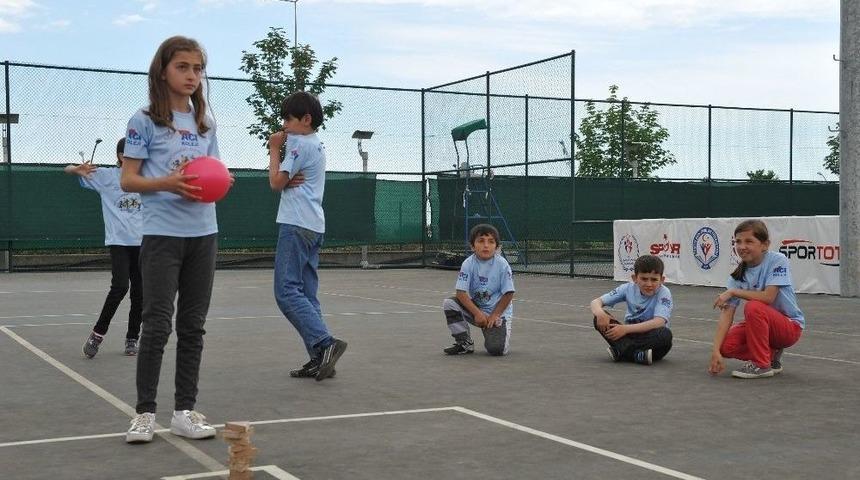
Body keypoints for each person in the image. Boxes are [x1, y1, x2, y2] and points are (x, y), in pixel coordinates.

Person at [120, 36, 229, 443]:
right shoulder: (144, 120)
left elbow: (212, 169)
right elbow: (128, 179)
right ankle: (144, 413)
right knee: (156, 324)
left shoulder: (206, 122)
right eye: (183, 67)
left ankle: (184, 411)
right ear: (163, 70)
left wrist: (223, 180)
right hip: (163, 236)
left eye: (198, 68)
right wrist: (168, 182)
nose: (191, 76)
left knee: (193, 326)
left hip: (204, 234)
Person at [268, 91, 347, 381]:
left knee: (286, 292)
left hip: (296, 225)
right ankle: (319, 358)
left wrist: (274, 149)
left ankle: (326, 344)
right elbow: (288, 180)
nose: (284, 125)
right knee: (307, 295)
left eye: (288, 119)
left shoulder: (298, 144)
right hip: (314, 226)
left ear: (306, 119)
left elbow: (276, 183)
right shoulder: (315, 143)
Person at [64, 138, 143, 358]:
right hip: (119, 242)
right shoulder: (107, 177)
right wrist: (75, 168)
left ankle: (132, 338)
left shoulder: (146, 178)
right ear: (121, 156)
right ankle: (97, 335)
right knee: (120, 287)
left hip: (143, 244)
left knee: (140, 292)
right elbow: (68, 169)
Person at [709, 219, 804, 379]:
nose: (741, 246)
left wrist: (733, 292)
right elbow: (726, 315)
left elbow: (768, 297)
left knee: (753, 307)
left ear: (765, 245)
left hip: (789, 327)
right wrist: (715, 351)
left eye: (749, 241)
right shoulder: (737, 276)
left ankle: (761, 365)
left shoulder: (777, 260)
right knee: (726, 347)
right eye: (738, 241)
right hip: (762, 324)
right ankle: (771, 355)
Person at [442, 224, 515, 356]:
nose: (486, 245)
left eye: (491, 242)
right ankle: (464, 343)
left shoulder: (502, 265)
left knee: (496, 350)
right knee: (450, 303)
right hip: (478, 310)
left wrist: (494, 315)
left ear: (497, 247)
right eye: (481, 241)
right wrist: (477, 313)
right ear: (472, 246)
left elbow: (509, 293)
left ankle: (494, 332)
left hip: (498, 314)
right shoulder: (468, 263)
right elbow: (461, 293)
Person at [590, 254, 673, 365]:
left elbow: (659, 322)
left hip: (650, 339)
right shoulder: (627, 288)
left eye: (654, 280)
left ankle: (623, 351)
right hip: (629, 336)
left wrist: (625, 329)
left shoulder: (664, 292)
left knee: (665, 334)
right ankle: (637, 355)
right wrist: (600, 313)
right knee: (598, 318)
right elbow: (596, 302)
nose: (649, 284)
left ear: (662, 280)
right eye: (644, 279)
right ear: (634, 278)